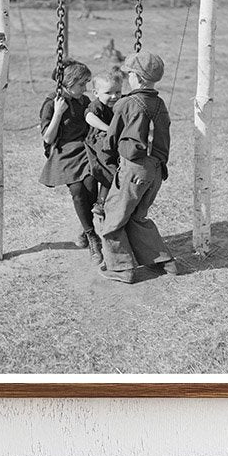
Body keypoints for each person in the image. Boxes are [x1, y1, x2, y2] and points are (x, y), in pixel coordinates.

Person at [96, 50, 178, 284]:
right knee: (138, 216)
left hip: (133, 169)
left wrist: (108, 159)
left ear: (138, 78)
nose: (128, 79)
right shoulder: (160, 104)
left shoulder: (126, 103)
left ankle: (121, 269)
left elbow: (111, 139)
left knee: (113, 218)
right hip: (156, 170)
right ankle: (163, 261)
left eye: (129, 74)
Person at [39, 60, 102, 264]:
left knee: (91, 187)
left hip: (84, 150)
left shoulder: (83, 102)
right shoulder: (51, 103)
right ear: (69, 82)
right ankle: (92, 236)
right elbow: (48, 138)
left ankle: (85, 231)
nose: (85, 89)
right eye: (82, 84)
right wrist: (58, 112)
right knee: (77, 191)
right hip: (64, 152)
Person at [83, 68, 123, 215]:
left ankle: (107, 202)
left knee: (117, 171)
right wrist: (107, 128)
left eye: (118, 92)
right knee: (109, 171)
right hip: (99, 144)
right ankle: (101, 202)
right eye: (108, 93)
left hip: (114, 144)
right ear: (96, 93)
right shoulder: (96, 106)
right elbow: (89, 117)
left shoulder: (121, 102)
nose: (114, 96)